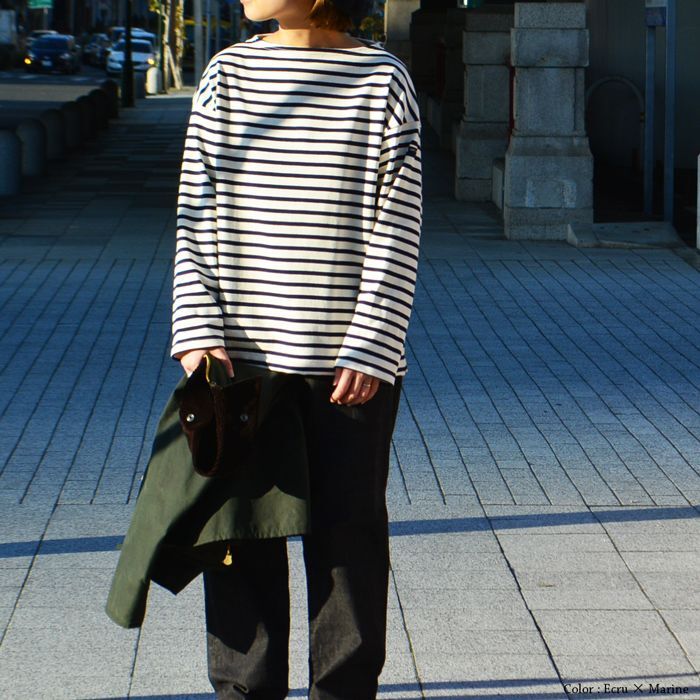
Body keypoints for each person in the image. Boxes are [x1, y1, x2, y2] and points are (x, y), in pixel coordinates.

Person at [171, 0, 423, 696]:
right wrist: (197, 329)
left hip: (347, 370)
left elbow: (399, 222)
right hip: (239, 366)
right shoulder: (227, 75)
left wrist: (372, 344)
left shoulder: (381, 79)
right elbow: (196, 209)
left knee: (347, 541)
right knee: (238, 541)